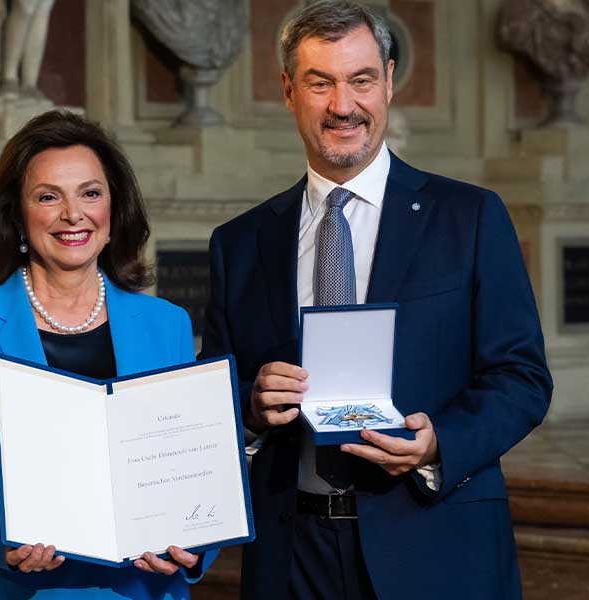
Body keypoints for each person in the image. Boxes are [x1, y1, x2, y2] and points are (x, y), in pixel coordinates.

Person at [199, 2, 553, 599]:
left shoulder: (468, 218)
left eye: (361, 79)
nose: (344, 105)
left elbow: (522, 377)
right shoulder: (239, 243)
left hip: (433, 543)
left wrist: (438, 441)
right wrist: (252, 408)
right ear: (289, 91)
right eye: (321, 83)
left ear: (389, 81)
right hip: (291, 557)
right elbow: (216, 397)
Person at [0, 110, 216, 599]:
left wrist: (198, 543)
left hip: (139, 589)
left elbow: (196, 470)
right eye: (48, 197)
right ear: (17, 216)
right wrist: (3, 538)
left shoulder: (167, 325)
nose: (73, 214)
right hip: (20, 589)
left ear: (114, 211)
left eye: (90, 193)